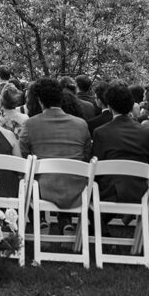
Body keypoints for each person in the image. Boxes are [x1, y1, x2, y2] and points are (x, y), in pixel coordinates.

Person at [19, 78, 92, 223]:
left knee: (25, 177)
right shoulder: (81, 124)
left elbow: (24, 154)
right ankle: (65, 222)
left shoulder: (30, 124)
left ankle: (39, 221)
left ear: (39, 100)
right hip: (76, 189)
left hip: (42, 189)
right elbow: (86, 154)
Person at [91, 83, 149, 203]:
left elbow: (96, 165)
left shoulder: (101, 132)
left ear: (109, 106)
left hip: (108, 192)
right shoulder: (147, 133)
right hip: (140, 191)